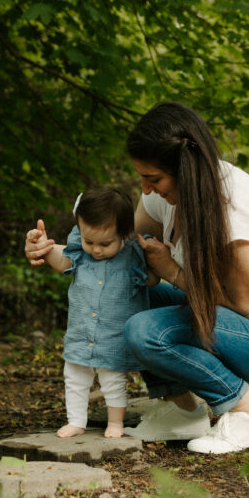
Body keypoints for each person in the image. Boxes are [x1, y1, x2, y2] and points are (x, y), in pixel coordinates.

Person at [121, 100, 249, 454]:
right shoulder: (166, 196)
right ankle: (181, 410)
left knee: (144, 331)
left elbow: (248, 306)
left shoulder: (234, 205)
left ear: (185, 168)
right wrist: (61, 251)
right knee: (122, 293)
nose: (145, 190)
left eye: (154, 179)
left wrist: (173, 273)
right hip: (221, 317)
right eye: (142, 178)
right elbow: (124, 246)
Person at [25, 186, 155, 439]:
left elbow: (151, 280)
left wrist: (156, 258)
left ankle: (115, 423)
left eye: (105, 243)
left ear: (124, 233)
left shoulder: (133, 256)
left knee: (113, 382)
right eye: (89, 241)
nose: (96, 249)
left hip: (113, 337)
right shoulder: (79, 253)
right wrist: (42, 245)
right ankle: (76, 421)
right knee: (74, 378)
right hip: (81, 333)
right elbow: (61, 261)